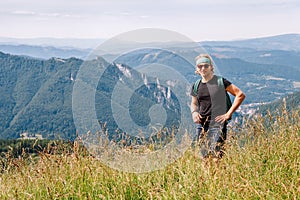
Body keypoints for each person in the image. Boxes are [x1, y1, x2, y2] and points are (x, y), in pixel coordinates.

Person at [190, 53, 245, 160]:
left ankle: (218, 176)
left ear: (211, 67)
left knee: (216, 158)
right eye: (200, 66)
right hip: (202, 125)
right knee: (204, 157)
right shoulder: (196, 85)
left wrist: (228, 114)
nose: (203, 68)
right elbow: (194, 103)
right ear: (197, 69)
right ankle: (208, 177)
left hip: (218, 124)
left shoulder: (220, 82)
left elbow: (240, 94)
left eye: (206, 65)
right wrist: (194, 113)